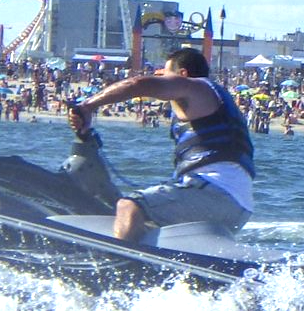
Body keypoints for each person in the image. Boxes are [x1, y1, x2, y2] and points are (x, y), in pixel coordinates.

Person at [67, 47, 255, 244]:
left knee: (129, 206)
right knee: (146, 227)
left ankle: (119, 267)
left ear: (182, 75)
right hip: (238, 208)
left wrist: (88, 106)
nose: (163, 79)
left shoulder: (196, 87)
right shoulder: (217, 100)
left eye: (166, 75)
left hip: (214, 195)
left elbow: (138, 84)